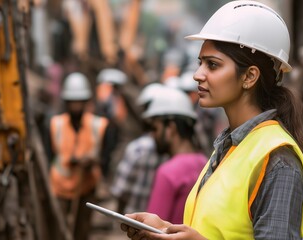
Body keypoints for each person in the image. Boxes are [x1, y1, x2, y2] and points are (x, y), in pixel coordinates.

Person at [121, 1, 303, 239]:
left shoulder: (277, 160)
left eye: (213, 65)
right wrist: (164, 228)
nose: (197, 74)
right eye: (200, 63)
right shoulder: (229, 147)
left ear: (250, 76)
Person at [48, 72, 109, 240]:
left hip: (86, 187)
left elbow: (104, 157)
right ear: (66, 102)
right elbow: (51, 154)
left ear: (86, 102)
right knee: (59, 231)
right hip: (60, 188)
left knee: (82, 231)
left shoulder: (98, 125)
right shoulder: (56, 124)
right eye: (72, 102)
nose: (76, 106)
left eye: (79, 102)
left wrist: (92, 162)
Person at [143, 87, 207, 224]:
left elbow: (152, 231)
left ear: (170, 128)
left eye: (155, 128)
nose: (152, 135)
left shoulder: (168, 172)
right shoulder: (206, 162)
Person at [110, 83, 168, 214]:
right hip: (161, 220)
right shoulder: (173, 149)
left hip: (136, 219)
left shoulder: (137, 148)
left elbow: (121, 190)